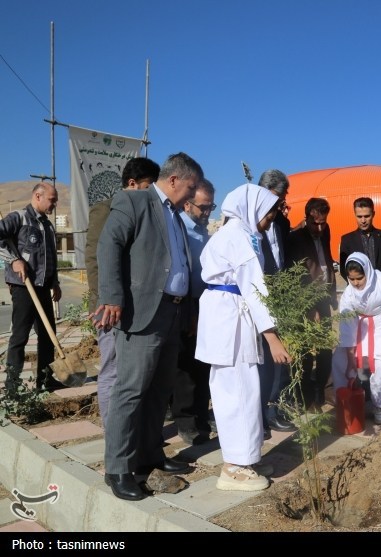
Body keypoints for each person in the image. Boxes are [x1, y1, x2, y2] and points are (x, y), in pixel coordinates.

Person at [94, 152, 202, 501]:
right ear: (173, 180)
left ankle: (152, 455)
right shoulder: (134, 201)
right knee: (131, 391)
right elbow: (108, 245)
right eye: (190, 187)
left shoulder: (173, 213)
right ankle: (119, 469)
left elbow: (177, 262)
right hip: (142, 314)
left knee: (159, 392)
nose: (192, 194)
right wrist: (111, 296)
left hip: (171, 314)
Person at [195, 183, 291, 491]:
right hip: (230, 320)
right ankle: (234, 467)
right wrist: (273, 337)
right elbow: (254, 287)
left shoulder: (241, 234)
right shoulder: (237, 237)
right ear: (253, 209)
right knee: (236, 392)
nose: (272, 218)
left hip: (231, 315)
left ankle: (246, 458)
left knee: (245, 389)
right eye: (270, 212)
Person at [84, 157, 159, 426]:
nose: (153, 192)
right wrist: (103, 301)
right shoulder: (106, 210)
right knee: (112, 368)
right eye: (149, 185)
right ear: (132, 183)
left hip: (138, 307)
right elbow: (95, 259)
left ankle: (129, 427)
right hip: (109, 308)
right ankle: (112, 429)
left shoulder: (150, 212)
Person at [331, 252, 381, 425]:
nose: (355, 283)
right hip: (359, 326)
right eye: (351, 279)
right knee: (340, 359)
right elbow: (347, 325)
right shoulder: (349, 295)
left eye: (359, 278)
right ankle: (344, 400)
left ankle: (380, 407)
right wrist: (352, 357)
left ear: (368, 272)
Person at [0, 182, 61, 393]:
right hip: (23, 287)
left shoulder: (47, 225)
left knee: (48, 335)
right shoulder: (18, 218)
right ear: (38, 196)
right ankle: (12, 386)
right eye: (52, 200)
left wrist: (55, 282)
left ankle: (45, 380)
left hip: (43, 287)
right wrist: (13, 260)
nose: (54, 204)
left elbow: (51, 257)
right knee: (20, 336)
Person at [171, 178, 216, 445]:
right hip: (187, 305)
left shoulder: (203, 232)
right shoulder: (180, 230)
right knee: (186, 367)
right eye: (204, 207)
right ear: (188, 204)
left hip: (206, 305)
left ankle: (201, 416)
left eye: (211, 207)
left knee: (203, 365)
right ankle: (185, 421)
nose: (208, 212)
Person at [255, 169, 296, 433]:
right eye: (277, 197)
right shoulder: (247, 221)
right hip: (258, 296)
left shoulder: (281, 222)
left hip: (280, 295)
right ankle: (258, 413)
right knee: (261, 359)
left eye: (282, 198)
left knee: (280, 358)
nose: (279, 203)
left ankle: (275, 408)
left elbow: (283, 256)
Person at [286, 198, 337, 408]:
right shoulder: (295, 238)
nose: (319, 227)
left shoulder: (325, 231)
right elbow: (298, 275)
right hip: (307, 302)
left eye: (322, 222)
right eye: (315, 222)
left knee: (325, 347)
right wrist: (310, 306)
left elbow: (326, 260)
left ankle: (322, 392)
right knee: (306, 350)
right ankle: (305, 397)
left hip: (325, 296)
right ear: (306, 217)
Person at [339, 197, 381, 278]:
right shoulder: (347, 240)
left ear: (373, 214)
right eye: (359, 217)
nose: (363, 220)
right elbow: (344, 269)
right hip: (358, 288)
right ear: (355, 215)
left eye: (367, 216)